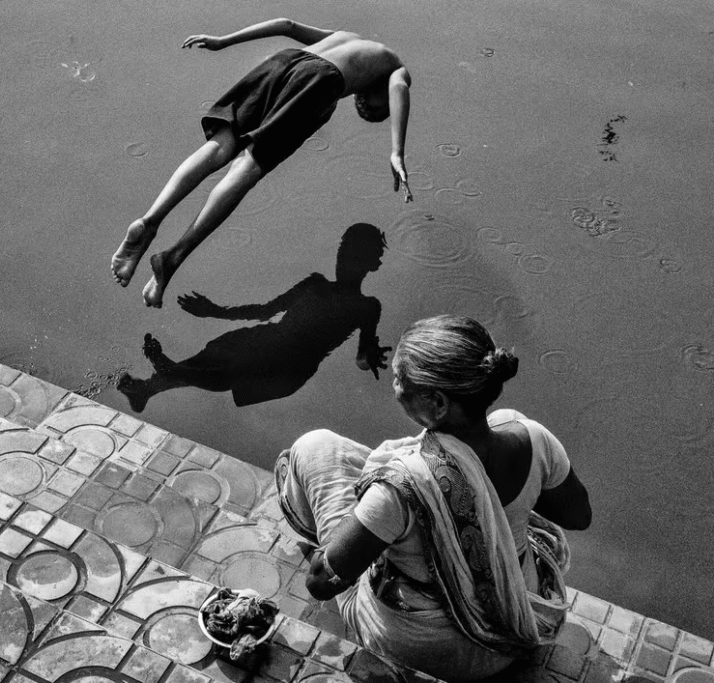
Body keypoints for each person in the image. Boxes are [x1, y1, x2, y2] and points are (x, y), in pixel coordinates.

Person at [276, 315, 592, 682]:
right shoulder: (533, 439)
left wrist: (366, 522)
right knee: (506, 420)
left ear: (438, 403)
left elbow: (320, 583)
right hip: (513, 625)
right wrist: (493, 508)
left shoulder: (402, 486)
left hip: (426, 650)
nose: (395, 387)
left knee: (313, 447)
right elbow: (578, 516)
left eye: (401, 380)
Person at [110, 18, 413, 308]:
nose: (373, 103)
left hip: (284, 62)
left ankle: (149, 221)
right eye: (378, 108)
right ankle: (172, 258)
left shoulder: (348, 37)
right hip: (319, 81)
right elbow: (399, 88)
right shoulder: (393, 66)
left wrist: (224, 40)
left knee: (218, 147)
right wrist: (397, 151)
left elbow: (286, 25)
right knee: (247, 167)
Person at [117, 222, 391, 410]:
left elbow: (361, 359)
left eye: (354, 256)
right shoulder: (314, 284)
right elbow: (265, 311)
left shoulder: (366, 307)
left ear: (372, 265)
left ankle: (169, 369)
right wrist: (214, 311)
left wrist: (369, 357)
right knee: (206, 360)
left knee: (229, 374)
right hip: (267, 338)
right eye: (343, 251)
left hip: (291, 364)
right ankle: (146, 390)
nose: (344, 259)